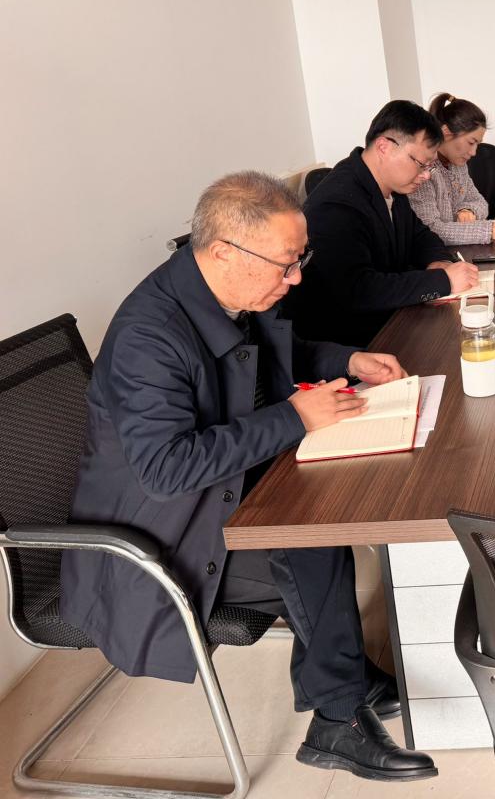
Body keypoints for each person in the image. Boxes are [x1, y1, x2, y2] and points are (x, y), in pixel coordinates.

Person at [60, 172, 438, 781]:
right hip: (156, 538)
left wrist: (349, 359)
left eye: (299, 260)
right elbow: (165, 470)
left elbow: (279, 355)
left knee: (321, 512)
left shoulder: (223, 293)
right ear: (223, 253)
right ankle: (337, 719)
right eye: (286, 264)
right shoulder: (148, 338)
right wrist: (295, 417)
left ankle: (343, 677)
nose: (296, 278)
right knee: (309, 540)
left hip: (214, 496)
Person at [286, 100, 480, 346]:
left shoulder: (392, 187)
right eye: (420, 164)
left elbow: (420, 235)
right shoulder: (336, 203)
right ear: (384, 147)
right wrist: (443, 280)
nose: (425, 175)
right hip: (349, 343)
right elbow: (359, 290)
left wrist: (438, 261)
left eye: (429, 166)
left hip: (388, 322)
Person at [407, 93, 495, 245]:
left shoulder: (459, 167)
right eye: (471, 142)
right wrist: (490, 231)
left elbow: (480, 202)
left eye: (477, 144)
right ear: (446, 133)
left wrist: (468, 210)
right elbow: (431, 230)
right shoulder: (423, 171)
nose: (474, 153)